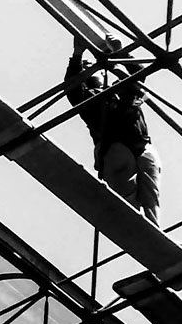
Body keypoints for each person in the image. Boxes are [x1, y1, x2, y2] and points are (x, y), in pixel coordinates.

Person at [64, 34, 161, 225]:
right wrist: (77, 56)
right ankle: (137, 230)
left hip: (137, 146)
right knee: (129, 204)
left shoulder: (119, 87)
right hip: (117, 149)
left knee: (151, 201)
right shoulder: (88, 98)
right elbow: (72, 86)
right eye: (89, 67)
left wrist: (121, 52)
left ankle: (152, 231)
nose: (95, 68)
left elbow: (139, 74)